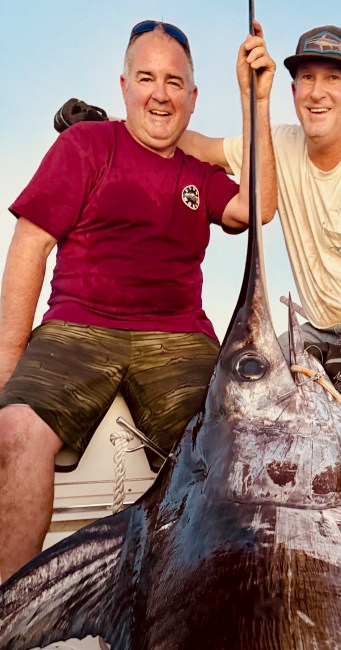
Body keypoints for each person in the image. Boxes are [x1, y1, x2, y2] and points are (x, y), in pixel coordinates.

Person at [51, 24, 341, 650]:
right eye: (306, 78)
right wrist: (105, 126)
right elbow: (187, 141)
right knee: (257, 400)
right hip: (317, 327)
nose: (316, 91)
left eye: (333, 79)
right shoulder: (277, 144)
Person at [0, 20, 277, 582]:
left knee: (232, 445)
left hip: (178, 339)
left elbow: (259, 208)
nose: (160, 93)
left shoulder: (197, 173)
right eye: (146, 78)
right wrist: (7, 373)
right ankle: (10, 625)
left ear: (193, 98)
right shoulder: (85, 145)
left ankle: (189, 603)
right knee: (15, 432)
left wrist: (256, 101)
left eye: (175, 82)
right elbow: (30, 246)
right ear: (123, 86)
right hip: (78, 328)